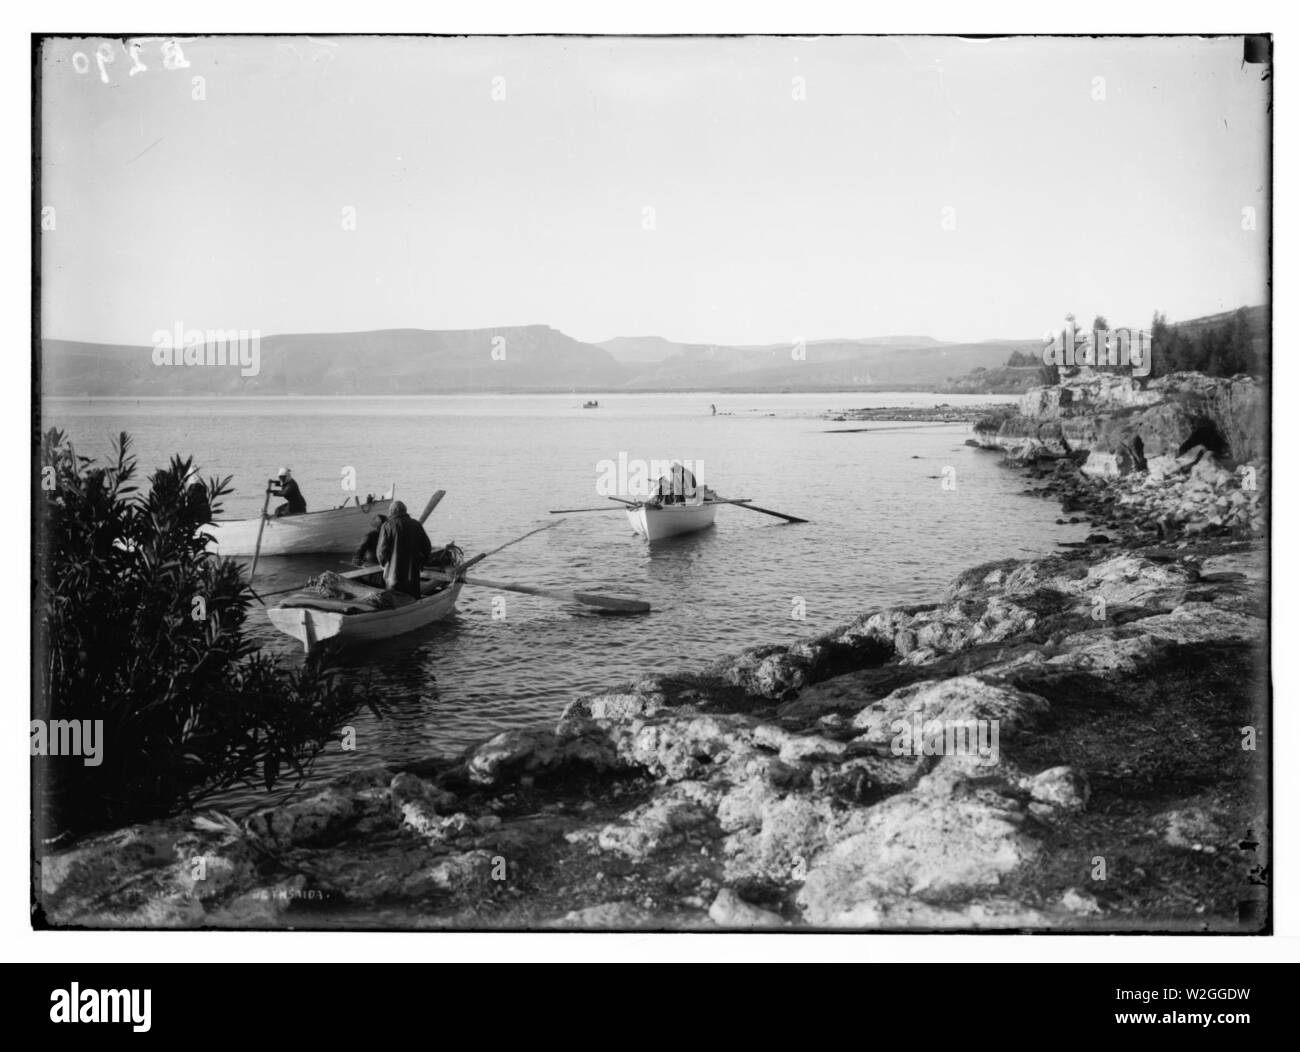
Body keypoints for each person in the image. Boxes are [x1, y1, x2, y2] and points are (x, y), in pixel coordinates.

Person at [376, 500, 433, 598]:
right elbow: (427, 547)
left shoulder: (387, 526)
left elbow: (381, 551)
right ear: (405, 511)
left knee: (394, 599)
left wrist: (383, 564)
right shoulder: (416, 525)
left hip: (393, 577)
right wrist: (422, 562)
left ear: (391, 511)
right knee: (413, 597)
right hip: (412, 575)